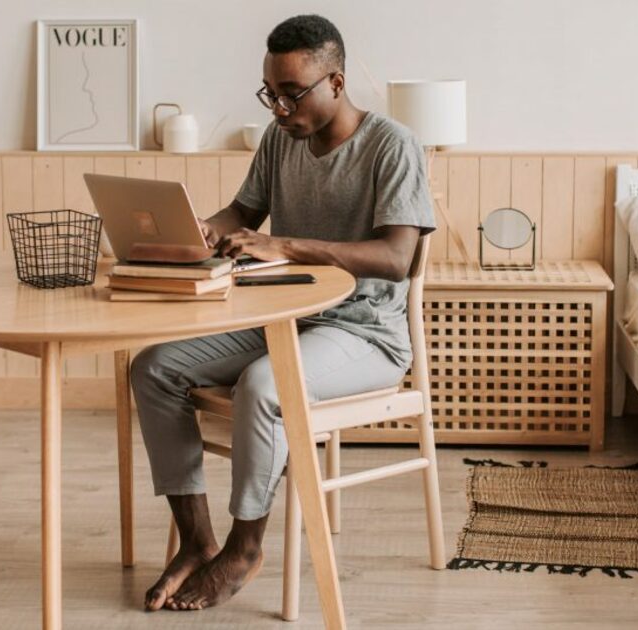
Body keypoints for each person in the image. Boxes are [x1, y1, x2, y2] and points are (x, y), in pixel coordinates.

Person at [131, 13, 435, 612]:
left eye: (292, 94)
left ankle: (245, 548)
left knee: (264, 384)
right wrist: (197, 232)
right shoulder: (280, 140)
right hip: (285, 321)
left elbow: (397, 258)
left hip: (365, 335)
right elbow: (242, 213)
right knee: (153, 367)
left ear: (337, 84)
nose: (279, 108)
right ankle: (197, 541)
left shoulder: (392, 146)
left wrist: (287, 244)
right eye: (271, 92)